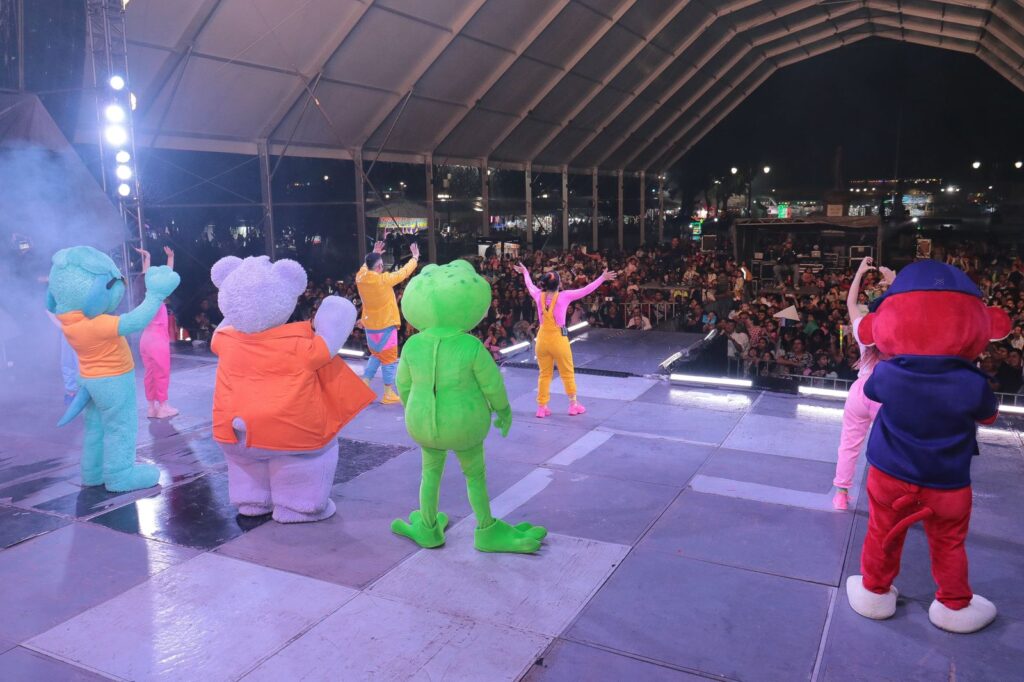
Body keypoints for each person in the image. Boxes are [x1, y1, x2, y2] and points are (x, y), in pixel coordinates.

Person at [832, 257, 895, 510]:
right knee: (891, 446)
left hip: (860, 391)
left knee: (848, 444)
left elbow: (850, 302)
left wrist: (859, 272)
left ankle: (840, 495)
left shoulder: (862, 328)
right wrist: (893, 280)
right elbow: (906, 306)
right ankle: (887, 498)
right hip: (886, 392)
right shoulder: (896, 328)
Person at [514, 262, 617, 417]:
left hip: (541, 340)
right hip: (558, 339)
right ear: (558, 284)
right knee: (567, 373)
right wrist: (602, 278)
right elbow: (586, 290)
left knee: (544, 374)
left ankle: (542, 407)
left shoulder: (537, 295)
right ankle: (573, 405)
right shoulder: (565, 296)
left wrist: (525, 272)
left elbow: (529, 284)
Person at [356, 239, 419, 404]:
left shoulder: (360, 277)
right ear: (378, 268)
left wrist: (374, 253)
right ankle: (388, 393)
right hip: (386, 327)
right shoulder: (383, 280)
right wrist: (415, 258)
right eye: (381, 264)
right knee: (389, 360)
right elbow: (403, 272)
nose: (382, 267)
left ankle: (364, 384)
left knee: (376, 355)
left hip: (370, 328)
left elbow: (366, 265)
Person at [135, 246, 179, 419]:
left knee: (150, 373)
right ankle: (163, 407)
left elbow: (145, 276)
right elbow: (168, 277)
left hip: (145, 339)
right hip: (157, 340)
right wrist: (170, 258)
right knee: (162, 373)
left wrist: (148, 257)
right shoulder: (156, 295)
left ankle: (151, 407)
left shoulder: (145, 297)